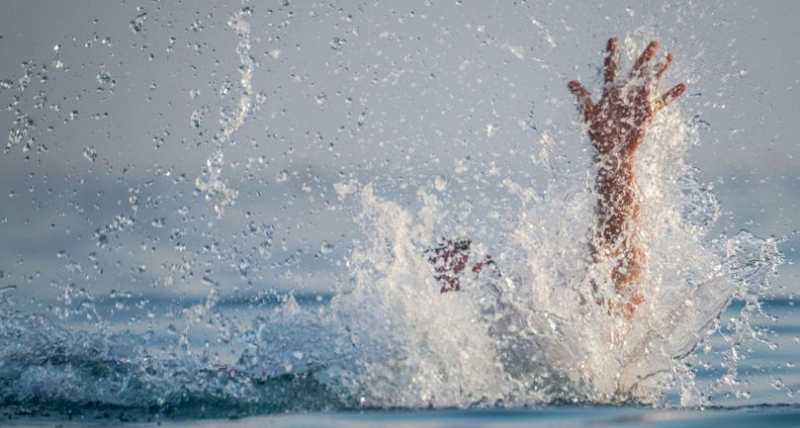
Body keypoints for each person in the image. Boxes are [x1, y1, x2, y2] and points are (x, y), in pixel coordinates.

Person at [428, 38, 687, 320]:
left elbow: (614, 301)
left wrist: (616, 162)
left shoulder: (528, 325)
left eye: (468, 271)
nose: (450, 285)